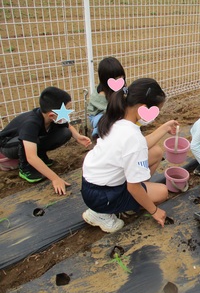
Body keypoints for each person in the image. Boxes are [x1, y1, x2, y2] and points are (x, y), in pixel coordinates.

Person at [81, 78, 179, 233]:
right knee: (162, 192)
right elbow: (133, 186)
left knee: (156, 152)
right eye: (156, 111)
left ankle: (131, 201)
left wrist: (164, 128)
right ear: (142, 107)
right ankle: (100, 214)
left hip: (93, 183)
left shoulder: (116, 118)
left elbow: (139, 146)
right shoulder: (133, 138)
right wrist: (154, 211)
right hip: (102, 197)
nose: (155, 116)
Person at [0, 87, 92, 194]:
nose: (67, 114)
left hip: (30, 142)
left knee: (65, 132)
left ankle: (41, 157)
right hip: (7, 146)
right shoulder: (31, 123)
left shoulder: (50, 117)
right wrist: (55, 178)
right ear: (52, 115)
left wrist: (77, 136)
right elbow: (31, 156)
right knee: (30, 143)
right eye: (65, 110)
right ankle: (25, 168)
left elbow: (67, 125)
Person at [87, 57, 126, 140]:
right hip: (101, 115)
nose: (119, 79)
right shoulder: (101, 95)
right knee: (105, 121)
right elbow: (107, 110)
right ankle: (98, 135)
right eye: (115, 78)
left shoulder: (120, 86)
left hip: (114, 113)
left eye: (121, 76)